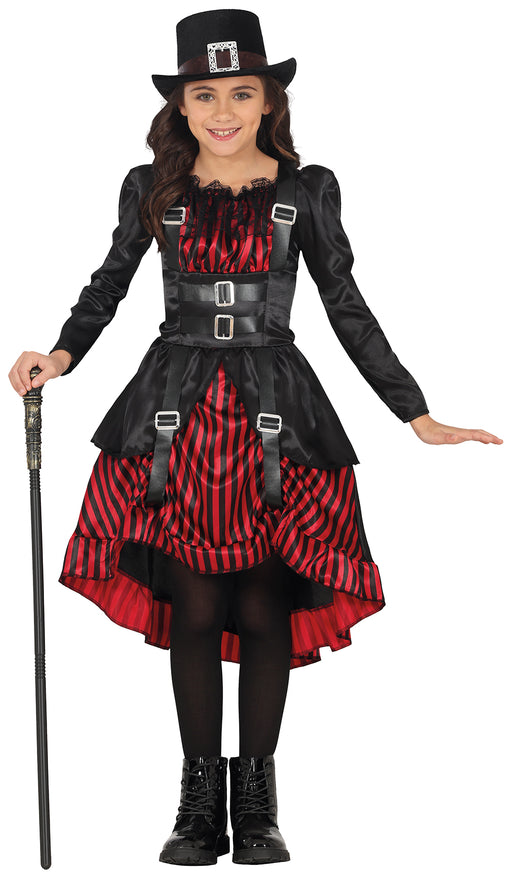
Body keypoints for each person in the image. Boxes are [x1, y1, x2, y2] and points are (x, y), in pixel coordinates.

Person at [8, 8, 503, 868]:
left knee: (268, 604)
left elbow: (346, 305)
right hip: (176, 414)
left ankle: (259, 802)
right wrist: (59, 354)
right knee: (197, 606)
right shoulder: (153, 188)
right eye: (205, 95)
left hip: (277, 417)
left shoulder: (305, 191)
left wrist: (414, 411)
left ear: (270, 98)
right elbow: (108, 284)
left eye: (242, 92)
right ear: (182, 104)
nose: (224, 111)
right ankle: (200, 801)